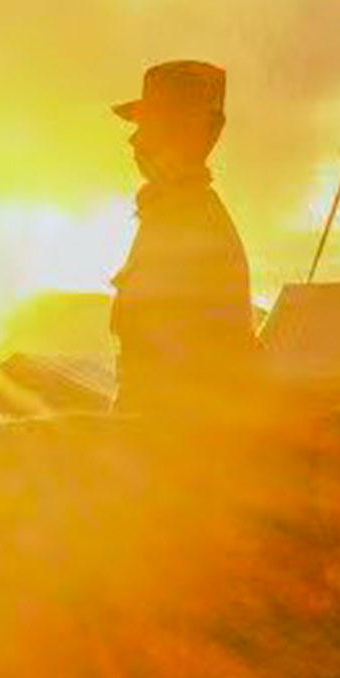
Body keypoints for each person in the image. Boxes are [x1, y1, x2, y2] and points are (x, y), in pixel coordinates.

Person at [110, 60, 257, 416]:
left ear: (178, 132)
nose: (133, 139)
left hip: (178, 435)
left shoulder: (185, 219)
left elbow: (173, 361)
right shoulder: (175, 211)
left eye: (147, 124)